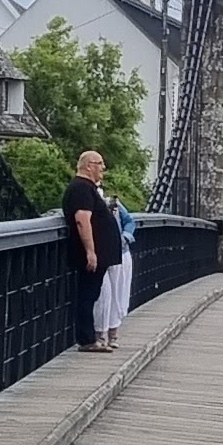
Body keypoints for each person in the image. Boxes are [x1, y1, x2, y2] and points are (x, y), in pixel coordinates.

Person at [61, 147, 118, 351]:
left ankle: (89, 337)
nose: (103, 167)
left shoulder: (86, 188)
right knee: (87, 295)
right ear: (88, 166)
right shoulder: (81, 188)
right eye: (99, 163)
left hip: (97, 252)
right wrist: (91, 252)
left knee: (90, 294)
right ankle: (86, 340)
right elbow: (82, 221)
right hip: (89, 254)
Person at [103, 189, 139, 342]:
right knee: (104, 295)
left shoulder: (114, 203)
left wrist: (125, 237)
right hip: (102, 254)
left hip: (121, 253)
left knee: (119, 293)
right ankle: (101, 334)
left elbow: (129, 221)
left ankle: (113, 332)